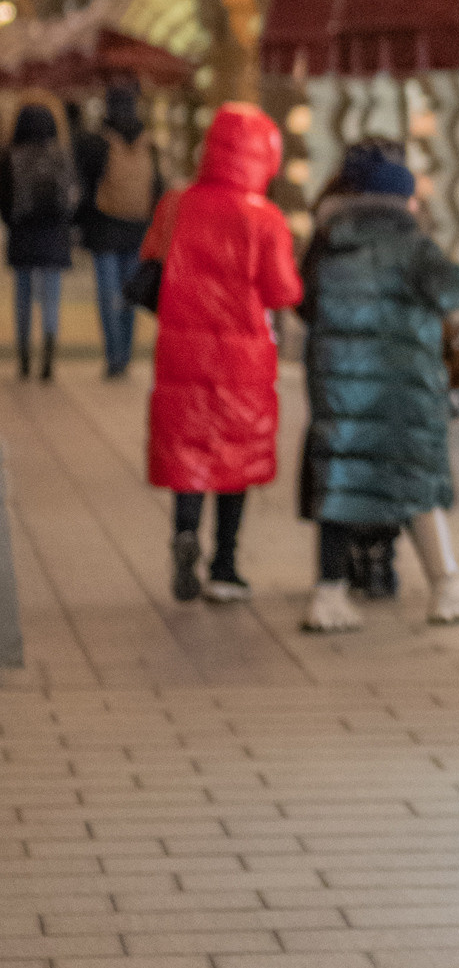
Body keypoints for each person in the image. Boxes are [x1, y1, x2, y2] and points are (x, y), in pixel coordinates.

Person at [298, 143, 459, 635]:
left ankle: (328, 595)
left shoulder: (327, 241)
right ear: (398, 200)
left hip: (339, 385)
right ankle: (447, 584)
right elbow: (454, 289)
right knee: (415, 480)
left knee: (340, 482)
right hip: (402, 385)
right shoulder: (411, 246)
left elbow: (304, 306)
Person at [141, 102, 302, 602]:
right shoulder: (265, 218)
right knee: (237, 453)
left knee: (188, 446)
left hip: (182, 351)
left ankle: (184, 534)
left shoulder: (176, 205)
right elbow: (282, 292)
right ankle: (225, 566)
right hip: (243, 357)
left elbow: (150, 264)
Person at [74, 78, 160, 379]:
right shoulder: (148, 141)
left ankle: (113, 355)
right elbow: (157, 188)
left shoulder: (97, 142)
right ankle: (125, 353)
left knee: (108, 294)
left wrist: (79, 227)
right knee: (129, 294)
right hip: (137, 229)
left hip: (104, 231)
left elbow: (84, 191)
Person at [0, 104, 78, 380]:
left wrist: (14, 223)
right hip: (54, 235)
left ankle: (23, 356)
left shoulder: (10, 155)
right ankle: (48, 354)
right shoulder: (62, 155)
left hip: (22, 234)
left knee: (22, 296)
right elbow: (71, 199)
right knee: (51, 297)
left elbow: (5, 201)